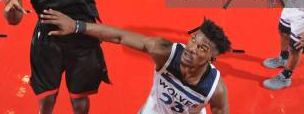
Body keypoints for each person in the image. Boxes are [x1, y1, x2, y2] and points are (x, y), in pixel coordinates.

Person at [42, 10, 231, 113]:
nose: (191, 48)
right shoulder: (165, 52)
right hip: (155, 110)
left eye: (202, 48)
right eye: (193, 39)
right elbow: (119, 36)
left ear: (211, 59)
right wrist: (76, 25)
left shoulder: (215, 89)